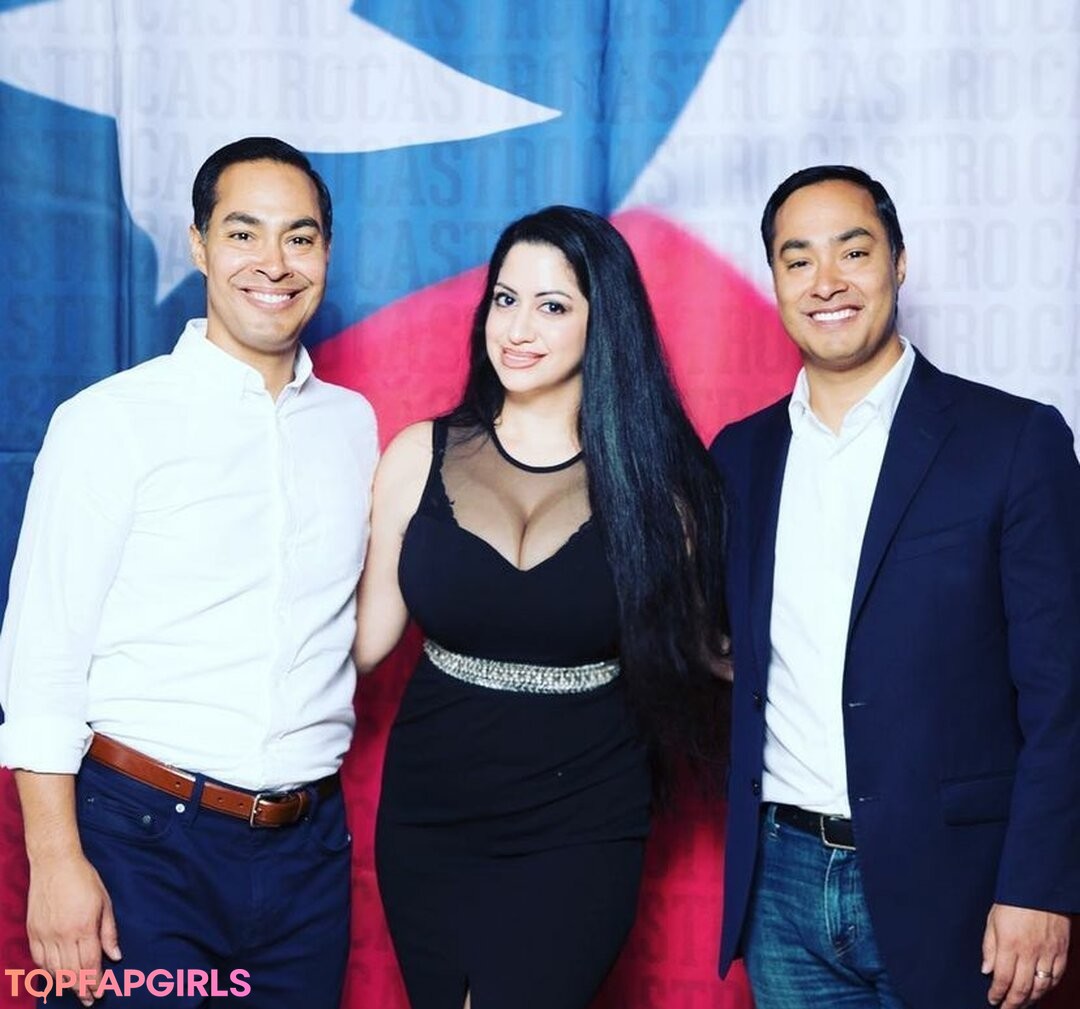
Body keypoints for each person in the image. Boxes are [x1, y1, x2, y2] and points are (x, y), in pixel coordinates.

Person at [0, 137, 378, 1008]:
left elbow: (344, 630)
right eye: (243, 233)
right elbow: (43, 658)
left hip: (306, 855)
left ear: (326, 253)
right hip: (140, 845)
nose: (273, 263)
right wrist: (54, 861)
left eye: (299, 237)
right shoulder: (110, 421)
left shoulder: (353, 426)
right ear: (199, 245)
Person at [710, 164, 1080, 1009]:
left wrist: (1041, 883)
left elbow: (1064, 689)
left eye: (853, 251)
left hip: (963, 886)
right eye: (798, 259)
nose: (826, 281)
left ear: (899, 261)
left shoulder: (1013, 441)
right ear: (775, 281)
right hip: (783, 885)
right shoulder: (740, 456)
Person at [355, 205, 729, 1009]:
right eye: (505, 298)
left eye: (552, 305)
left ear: (603, 322)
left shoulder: (661, 487)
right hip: (431, 814)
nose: (518, 328)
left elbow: (709, 650)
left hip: (583, 818)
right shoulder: (417, 455)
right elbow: (365, 640)